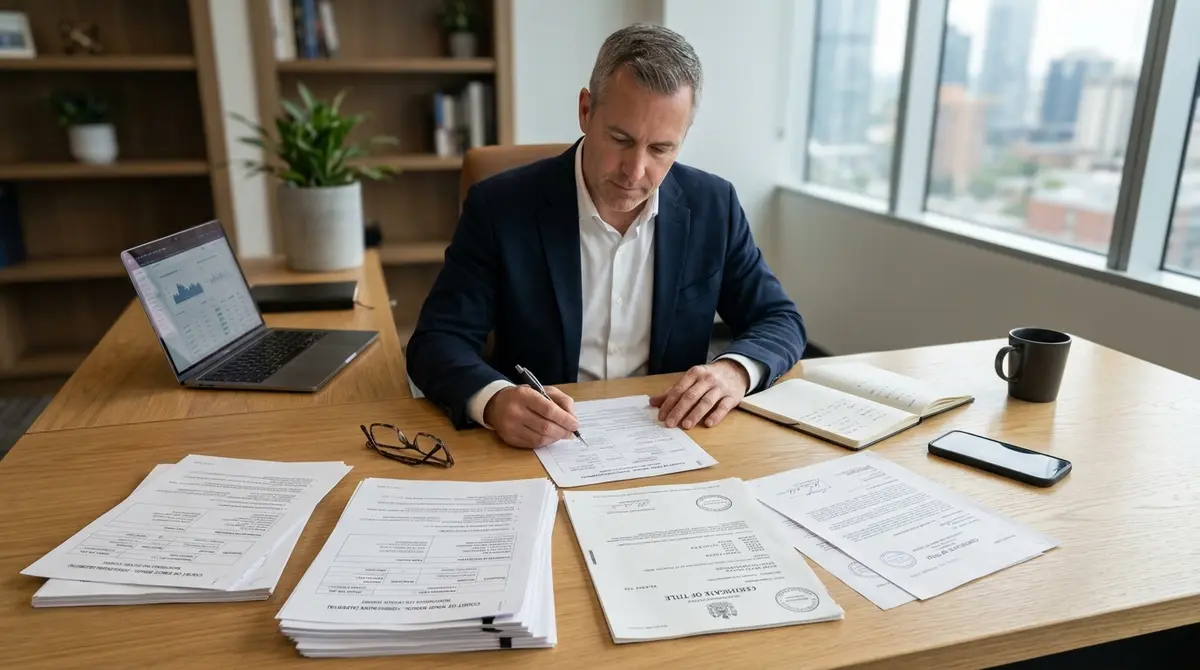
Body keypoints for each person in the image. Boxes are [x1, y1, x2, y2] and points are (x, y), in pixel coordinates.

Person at [406, 23, 805, 449]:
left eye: (660, 149)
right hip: (543, 448)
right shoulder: (500, 207)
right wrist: (495, 400)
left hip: (669, 441)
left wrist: (734, 371)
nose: (635, 172)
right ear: (585, 110)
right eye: (620, 139)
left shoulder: (713, 205)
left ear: (683, 138)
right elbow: (437, 342)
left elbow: (779, 320)